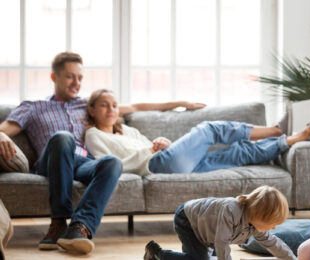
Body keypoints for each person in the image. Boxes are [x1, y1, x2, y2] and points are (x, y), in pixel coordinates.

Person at [0, 52, 205, 255]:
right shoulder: (33, 107)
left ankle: (79, 228)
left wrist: (180, 103)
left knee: (112, 162)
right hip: (52, 161)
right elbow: (5, 128)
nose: (76, 82)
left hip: (82, 162)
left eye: (80, 77)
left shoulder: (87, 104)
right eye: (70, 76)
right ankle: (58, 223)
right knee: (63, 137)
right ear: (54, 77)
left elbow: (136, 106)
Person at [83, 89, 310, 175]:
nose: (111, 109)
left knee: (237, 154)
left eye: (114, 105)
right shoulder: (94, 135)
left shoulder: (127, 130)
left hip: (171, 161)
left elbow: (150, 143)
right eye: (104, 105)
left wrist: (161, 141)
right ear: (92, 110)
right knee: (209, 129)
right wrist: (149, 151)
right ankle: (276, 129)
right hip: (157, 165)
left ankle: (295, 138)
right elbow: (106, 165)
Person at [143, 185, 296, 260]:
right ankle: (157, 254)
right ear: (258, 215)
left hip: (208, 230)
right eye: (271, 223)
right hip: (188, 220)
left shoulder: (257, 225)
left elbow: (273, 243)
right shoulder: (231, 210)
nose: (274, 227)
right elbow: (222, 243)